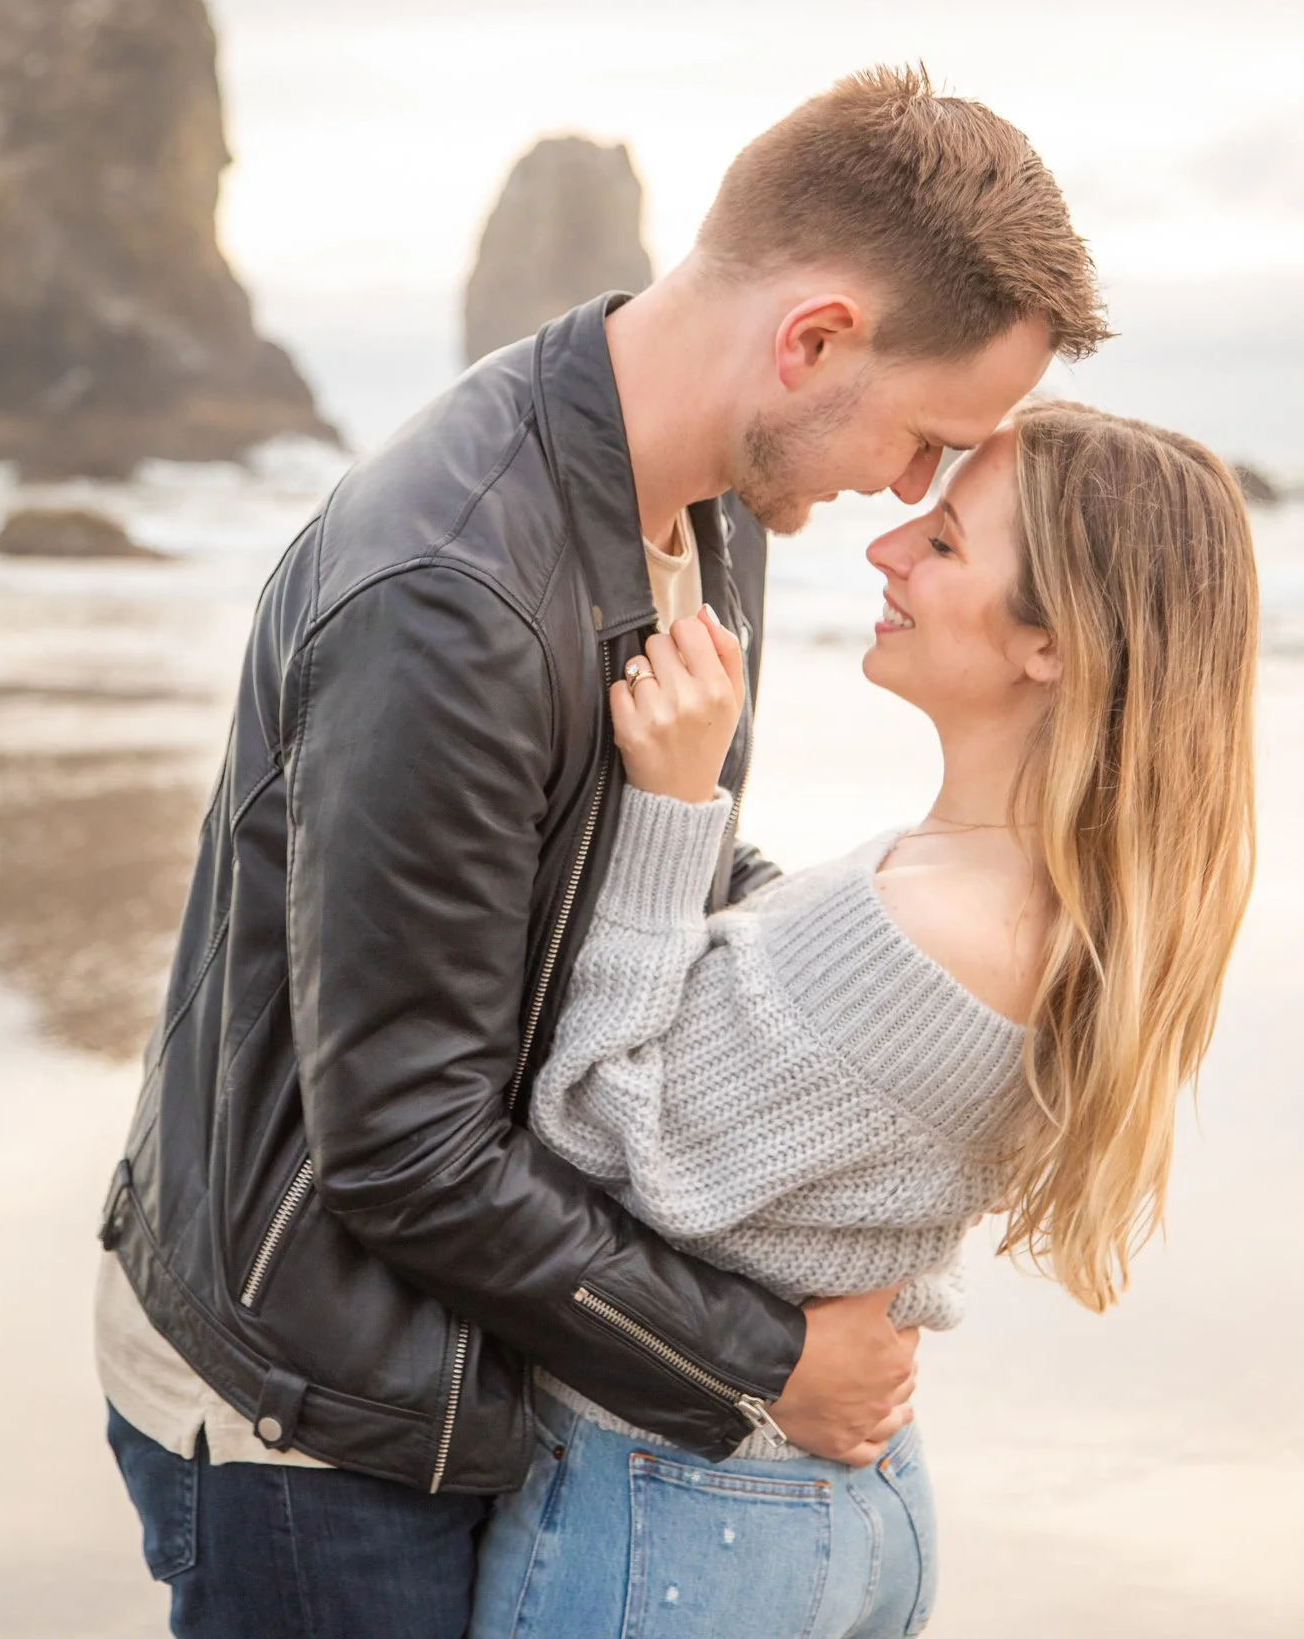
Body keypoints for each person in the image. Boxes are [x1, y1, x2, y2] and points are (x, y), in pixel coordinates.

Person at [96, 67, 1105, 1638]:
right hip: (320, 1398)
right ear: (814, 341)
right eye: (925, 436)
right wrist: (764, 1361)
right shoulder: (450, 592)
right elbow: (402, 1149)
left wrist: (905, 974)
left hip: (470, 1340)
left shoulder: (716, 505)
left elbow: (625, 864)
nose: (910, 496)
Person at [468, 401, 1258, 1639]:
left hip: (691, 1511)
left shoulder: (931, 925)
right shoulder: (1040, 894)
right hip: (830, 1499)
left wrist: (672, 804)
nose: (888, 547)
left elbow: (592, 1130)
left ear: (1049, 645)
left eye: (943, 542)